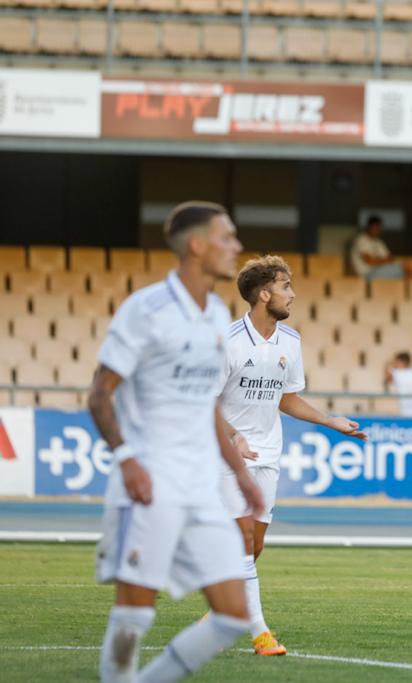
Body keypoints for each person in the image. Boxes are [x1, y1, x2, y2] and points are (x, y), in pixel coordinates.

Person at [89, 201, 264, 682]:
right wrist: (127, 460)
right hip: (150, 484)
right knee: (134, 617)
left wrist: (241, 472)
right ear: (197, 244)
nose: (236, 247)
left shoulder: (214, 315)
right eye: (227, 237)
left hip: (202, 487)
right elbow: (100, 393)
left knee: (231, 616)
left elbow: (207, 406)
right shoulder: (146, 309)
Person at [218, 254, 367, 655]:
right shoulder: (226, 341)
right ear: (264, 294)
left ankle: (228, 609)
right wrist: (232, 437)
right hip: (227, 454)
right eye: (286, 287)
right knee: (243, 541)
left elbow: (287, 399)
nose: (293, 295)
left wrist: (328, 420)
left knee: (256, 545)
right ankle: (260, 634)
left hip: (267, 453)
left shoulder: (291, 342)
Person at [350, 215, 412, 280]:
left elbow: (390, 258)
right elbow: (370, 261)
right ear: (369, 227)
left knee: (407, 267)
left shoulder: (379, 242)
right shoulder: (361, 240)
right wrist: (383, 260)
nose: (377, 230)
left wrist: (379, 260)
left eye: (379, 228)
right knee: (403, 268)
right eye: (375, 227)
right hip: (366, 275)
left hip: (380, 271)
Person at [384, 351, 412, 417]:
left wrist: (388, 364)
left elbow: (388, 378)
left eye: (397, 361)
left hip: (409, 411)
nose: (395, 364)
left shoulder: (400, 373)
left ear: (402, 362)